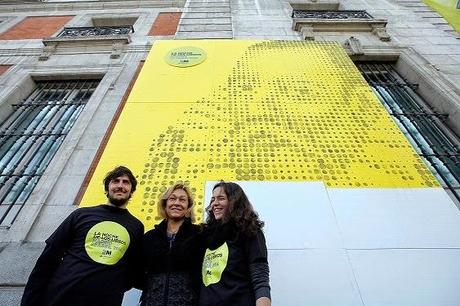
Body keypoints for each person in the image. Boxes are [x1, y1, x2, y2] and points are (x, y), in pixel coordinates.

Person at [21, 166, 144, 306]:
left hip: (105, 300)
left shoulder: (136, 226)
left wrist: (113, 286)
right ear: (107, 188)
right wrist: (30, 300)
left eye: (126, 182)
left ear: (132, 191)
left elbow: (133, 268)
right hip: (62, 296)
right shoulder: (81, 215)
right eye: (116, 181)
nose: (120, 186)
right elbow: (48, 258)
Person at [200, 181, 271, 306]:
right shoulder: (206, 235)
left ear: (234, 201)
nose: (214, 203)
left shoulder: (250, 230)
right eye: (212, 199)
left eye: (221, 198)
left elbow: (259, 274)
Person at [140, 183, 204, 306]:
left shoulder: (199, 235)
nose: (177, 203)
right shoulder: (150, 237)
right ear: (165, 204)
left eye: (182, 200)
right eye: (172, 198)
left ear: (188, 207)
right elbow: (138, 273)